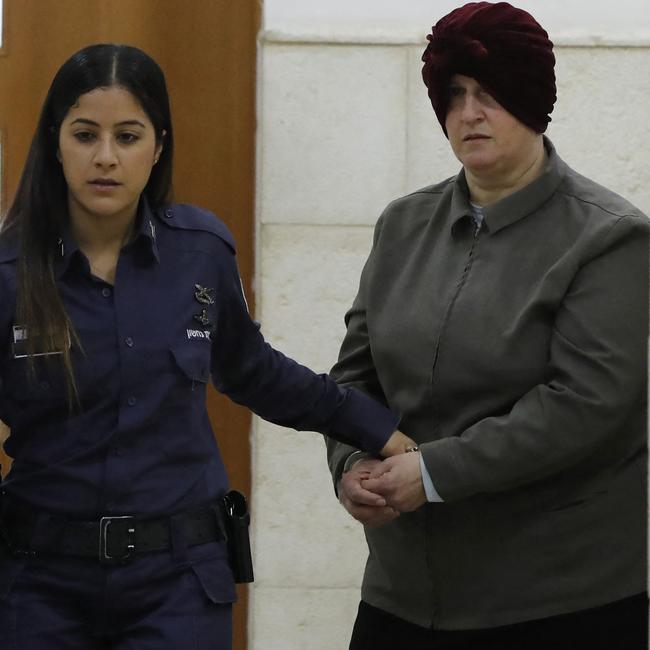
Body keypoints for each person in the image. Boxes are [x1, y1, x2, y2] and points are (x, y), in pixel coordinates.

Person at [0, 43, 414, 650]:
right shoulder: (10, 272)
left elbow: (253, 371)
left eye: (129, 136)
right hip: (39, 587)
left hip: (177, 585)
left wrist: (376, 429)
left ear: (158, 146)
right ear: (55, 141)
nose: (106, 158)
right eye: (85, 134)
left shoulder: (200, 251)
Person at [326, 3, 649, 649]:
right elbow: (355, 373)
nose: (470, 113)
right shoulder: (402, 225)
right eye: (455, 94)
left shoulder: (610, 237)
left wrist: (435, 473)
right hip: (404, 592)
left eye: (490, 93)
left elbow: (584, 405)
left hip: (559, 598)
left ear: (533, 101)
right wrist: (352, 461)